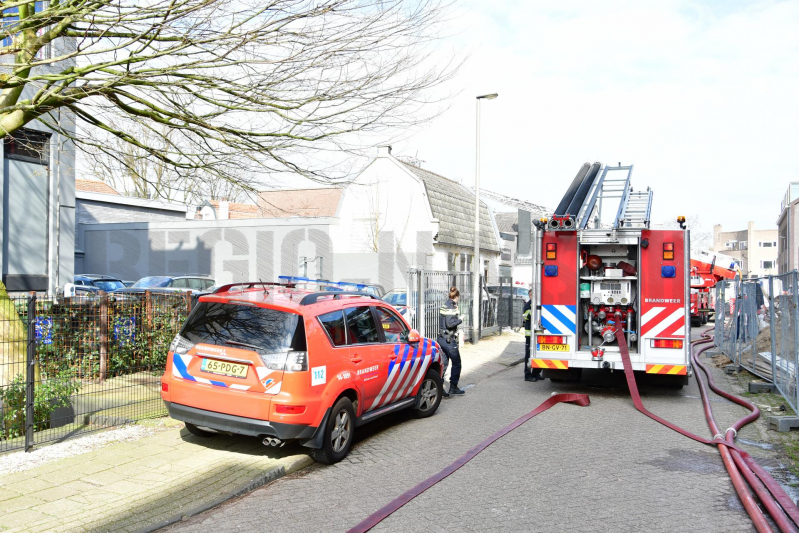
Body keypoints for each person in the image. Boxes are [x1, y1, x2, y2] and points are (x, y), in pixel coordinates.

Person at [438, 286, 465, 396]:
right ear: (457, 297)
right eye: (459, 298)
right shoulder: (451, 307)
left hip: (441, 338)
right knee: (457, 362)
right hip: (449, 340)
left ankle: (439, 388)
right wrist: (460, 319)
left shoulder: (446, 304)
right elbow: (450, 323)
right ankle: (453, 387)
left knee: (444, 363)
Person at [523, 289, 543, 382]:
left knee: (539, 352)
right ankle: (527, 375)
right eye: (531, 295)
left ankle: (536, 373)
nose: (532, 296)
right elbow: (527, 316)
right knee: (528, 355)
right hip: (529, 335)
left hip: (538, 333)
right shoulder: (527, 305)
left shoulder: (538, 304)